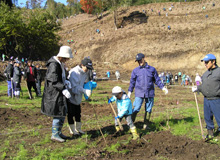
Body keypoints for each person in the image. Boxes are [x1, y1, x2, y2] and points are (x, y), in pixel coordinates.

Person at [127, 53, 168, 129]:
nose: (139, 62)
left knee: (148, 109)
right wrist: (130, 91)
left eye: (140, 60)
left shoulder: (152, 69)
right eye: (138, 61)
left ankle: (146, 125)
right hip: (139, 93)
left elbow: (157, 80)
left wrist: (163, 88)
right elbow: (132, 82)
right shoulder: (135, 71)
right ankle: (131, 125)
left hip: (150, 93)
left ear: (143, 58)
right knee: (136, 108)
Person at [41, 46, 73, 142]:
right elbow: (53, 80)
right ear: (62, 56)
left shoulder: (60, 64)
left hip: (59, 92)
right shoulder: (54, 65)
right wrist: (63, 89)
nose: (67, 60)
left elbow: (61, 77)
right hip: (55, 93)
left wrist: (66, 81)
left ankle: (58, 132)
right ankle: (54, 134)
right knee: (58, 112)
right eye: (66, 58)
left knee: (62, 111)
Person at [192, 54, 220, 141]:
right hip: (206, 99)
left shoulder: (219, 72)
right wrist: (197, 88)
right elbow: (204, 86)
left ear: (213, 62)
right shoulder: (205, 74)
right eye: (204, 62)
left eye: (207, 62)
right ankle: (210, 133)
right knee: (207, 117)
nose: (205, 64)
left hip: (216, 99)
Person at [67, 57, 92, 136]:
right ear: (82, 65)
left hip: (78, 97)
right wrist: (84, 90)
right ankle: (72, 130)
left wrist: (86, 89)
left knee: (78, 113)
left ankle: (78, 129)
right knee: (71, 114)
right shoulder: (75, 72)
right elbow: (74, 88)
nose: (87, 69)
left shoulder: (84, 73)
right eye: (86, 67)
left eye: (89, 68)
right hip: (71, 97)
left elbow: (81, 84)